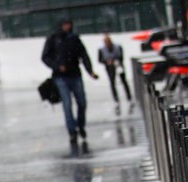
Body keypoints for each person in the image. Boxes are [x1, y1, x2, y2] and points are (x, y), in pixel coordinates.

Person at [42, 18, 99, 152]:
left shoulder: (74, 39)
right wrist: (56, 66)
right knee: (67, 104)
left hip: (75, 74)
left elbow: (84, 55)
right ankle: (72, 131)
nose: (67, 27)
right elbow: (45, 57)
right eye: (65, 25)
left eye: (69, 25)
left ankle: (80, 125)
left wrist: (90, 71)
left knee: (82, 102)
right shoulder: (53, 39)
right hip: (60, 77)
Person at [97, 34, 133, 114]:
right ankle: (116, 99)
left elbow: (121, 57)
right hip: (109, 68)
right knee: (112, 83)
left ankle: (129, 97)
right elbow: (100, 59)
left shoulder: (117, 47)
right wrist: (107, 62)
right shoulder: (102, 50)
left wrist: (115, 60)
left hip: (118, 65)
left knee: (124, 81)